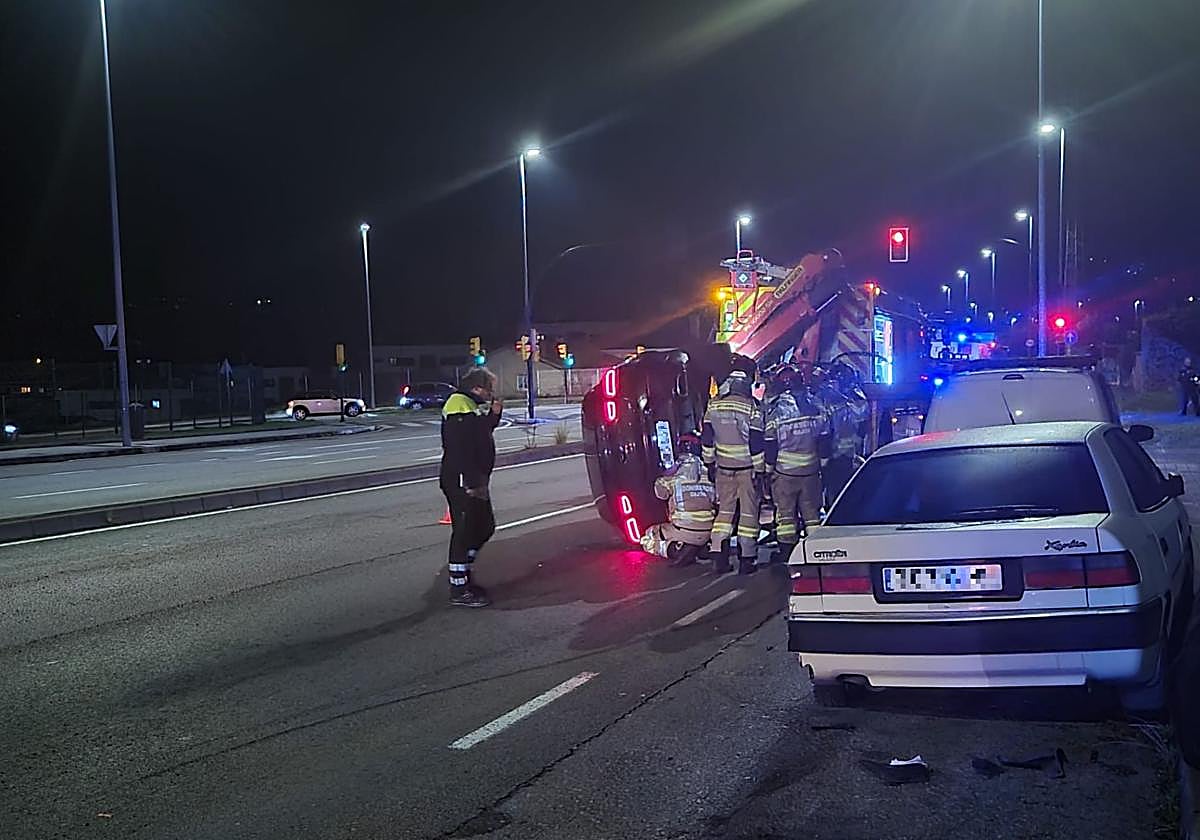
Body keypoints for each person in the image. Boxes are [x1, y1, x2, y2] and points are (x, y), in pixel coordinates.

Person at [440, 367, 503, 607]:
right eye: (489, 388)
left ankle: (464, 573)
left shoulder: (469, 405)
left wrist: (494, 415)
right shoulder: (458, 404)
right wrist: (472, 482)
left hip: (473, 479)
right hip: (462, 481)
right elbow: (461, 447)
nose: (490, 393)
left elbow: (479, 434)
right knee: (465, 532)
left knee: (485, 526)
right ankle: (459, 588)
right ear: (477, 387)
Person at [702, 368, 766, 575]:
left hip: (723, 468)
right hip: (747, 470)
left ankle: (718, 556)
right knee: (748, 514)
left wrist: (709, 463)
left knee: (724, 513)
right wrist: (760, 470)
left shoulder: (713, 406)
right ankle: (747, 560)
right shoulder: (751, 408)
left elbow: (707, 438)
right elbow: (756, 442)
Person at [764, 367, 831, 564]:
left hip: (785, 474)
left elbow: (770, 444)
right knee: (812, 515)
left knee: (785, 516)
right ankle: (815, 552)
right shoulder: (815, 405)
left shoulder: (776, 412)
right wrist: (823, 464)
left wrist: (767, 471)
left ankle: (787, 554)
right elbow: (825, 437)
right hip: (811, 470)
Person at [639, 434, 717, 566]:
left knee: (648, 536)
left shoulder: (676, 475)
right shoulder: (709, 475)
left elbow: (660, 494)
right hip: (708, 531)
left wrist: (664, 474)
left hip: (682, 529)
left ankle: (674, 550)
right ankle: (701, 548)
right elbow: (718, 499)